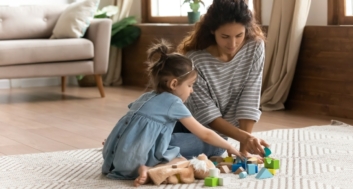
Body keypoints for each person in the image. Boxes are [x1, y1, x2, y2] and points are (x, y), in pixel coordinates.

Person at [102, 40, 259, 187]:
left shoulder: (146, 96)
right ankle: (151, 170)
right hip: (134, 161)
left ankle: (144, 165)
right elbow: (205, 135)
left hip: (112, 158)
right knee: (204, 151)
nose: (192, 90)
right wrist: (230, 147)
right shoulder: (173, 103)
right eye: (190, 85)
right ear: (174, 84)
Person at [170, 0, 267, 159]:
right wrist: (244, 137)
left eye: (239, 35)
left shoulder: (255, 46)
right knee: (214, 145)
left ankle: (146, 146)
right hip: (185, 122)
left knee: (217, 144)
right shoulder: (195, 59)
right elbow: (207, 115)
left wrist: (244, 149)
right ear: (212, 31)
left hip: (214, 134)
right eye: (225, 36)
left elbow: (250, 97)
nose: (233, 43)